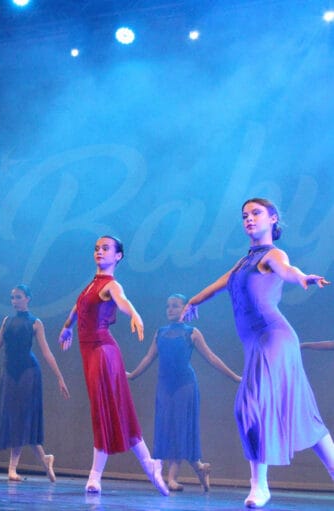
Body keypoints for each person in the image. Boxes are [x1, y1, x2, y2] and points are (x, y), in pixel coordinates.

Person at [181, 197, 334, 508]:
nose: (249, 219)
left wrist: (302, 278)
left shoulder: (273, 255)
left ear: (273, 219)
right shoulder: (242, 264)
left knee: (249, 406)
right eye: (245, 215)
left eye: (256, 213)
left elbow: (288, 270)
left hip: (274, 337)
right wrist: (192, 302)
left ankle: (259, 486)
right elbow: (217, 286)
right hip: (256, 344)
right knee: (301, 411)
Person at [58, 235, 169, 496]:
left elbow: (122, 301)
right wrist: (67, 327)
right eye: (97, 248)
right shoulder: (91, 285)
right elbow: (78, 307)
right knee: (115, 410)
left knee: (103, 409)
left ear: (118, 256)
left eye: (106, 248)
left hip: (103, 351)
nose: (99, 251)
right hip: (90, 351)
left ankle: (95, 476)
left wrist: (135, 314)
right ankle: (150, 464)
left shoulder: (111, 285)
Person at [127, 293, 242, 492]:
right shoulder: (160, 333)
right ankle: (200, 468)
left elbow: (211, 358)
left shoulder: (192, 333)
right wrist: (132, 375)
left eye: (175, 306)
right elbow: (148, 358)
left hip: (184, 387)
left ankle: (172, 478)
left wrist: (235, 377)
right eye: (168, 306)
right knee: (167, 428)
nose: (170, 309)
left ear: (184, 309)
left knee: (180, 428)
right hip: (165, 387)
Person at [0, 284, 70, 482]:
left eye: (18, 297)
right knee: (16, 420)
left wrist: (60, 377)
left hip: (28, 374)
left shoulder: (35, 323)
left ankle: (13, 469)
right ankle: (45, 458)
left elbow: (47, 352)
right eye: (12, 297)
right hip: (9, 373)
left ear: (27, 298)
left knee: (21, 419)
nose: (14, 301)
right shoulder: (6, 321)